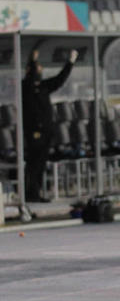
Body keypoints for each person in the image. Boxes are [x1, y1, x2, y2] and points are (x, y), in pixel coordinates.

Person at [21, 48, 78, 202]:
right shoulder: (26, 88)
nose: (40, 70)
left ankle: (36, 193)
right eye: (37, 68)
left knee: (41, 164)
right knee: (33, 163)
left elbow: (60, 79)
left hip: (46, 132)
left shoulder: (43, 86)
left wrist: (70, 62)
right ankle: (29, 193)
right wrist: (32, 60)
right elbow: (30, 77)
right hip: (34, 132)